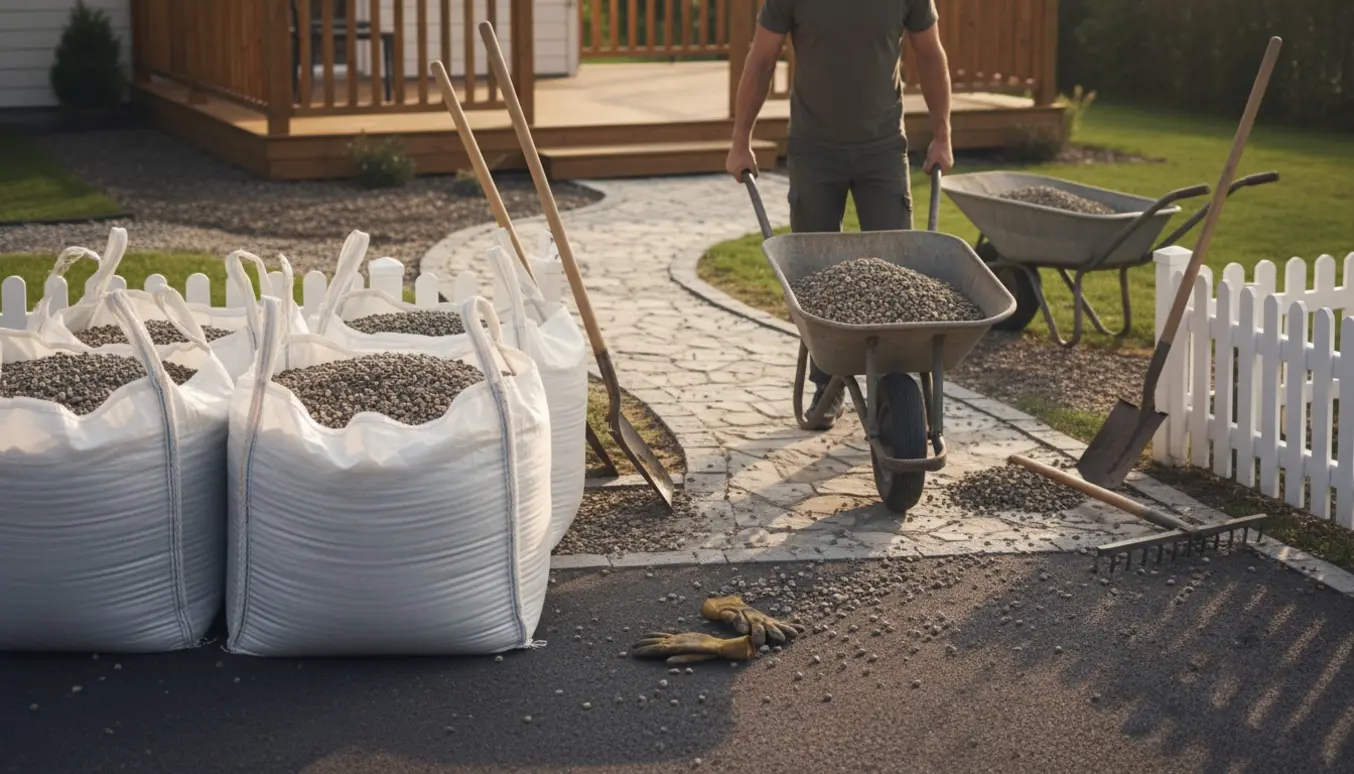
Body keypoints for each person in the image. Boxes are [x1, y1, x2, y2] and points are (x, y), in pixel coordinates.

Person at [725, 0, 956, 430]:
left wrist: (942, 135)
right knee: (816, 277)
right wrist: (741, 140)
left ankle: (894, 385)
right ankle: (826, 384)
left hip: (883, 150)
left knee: (896, 273)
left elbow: (930, 53)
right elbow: (761, 59)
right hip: (815, 152)